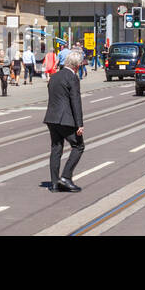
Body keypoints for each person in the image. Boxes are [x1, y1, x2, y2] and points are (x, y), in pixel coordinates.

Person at [43, 49, 86, 192]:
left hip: (51, 118)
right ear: (77, 66)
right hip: (65, 119)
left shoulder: (54, 76)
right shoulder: (72, 78)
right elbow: (75, 101)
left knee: (56, 149)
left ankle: (54, 183)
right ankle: (66, 177)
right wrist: (79, 124)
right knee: (78, 146)